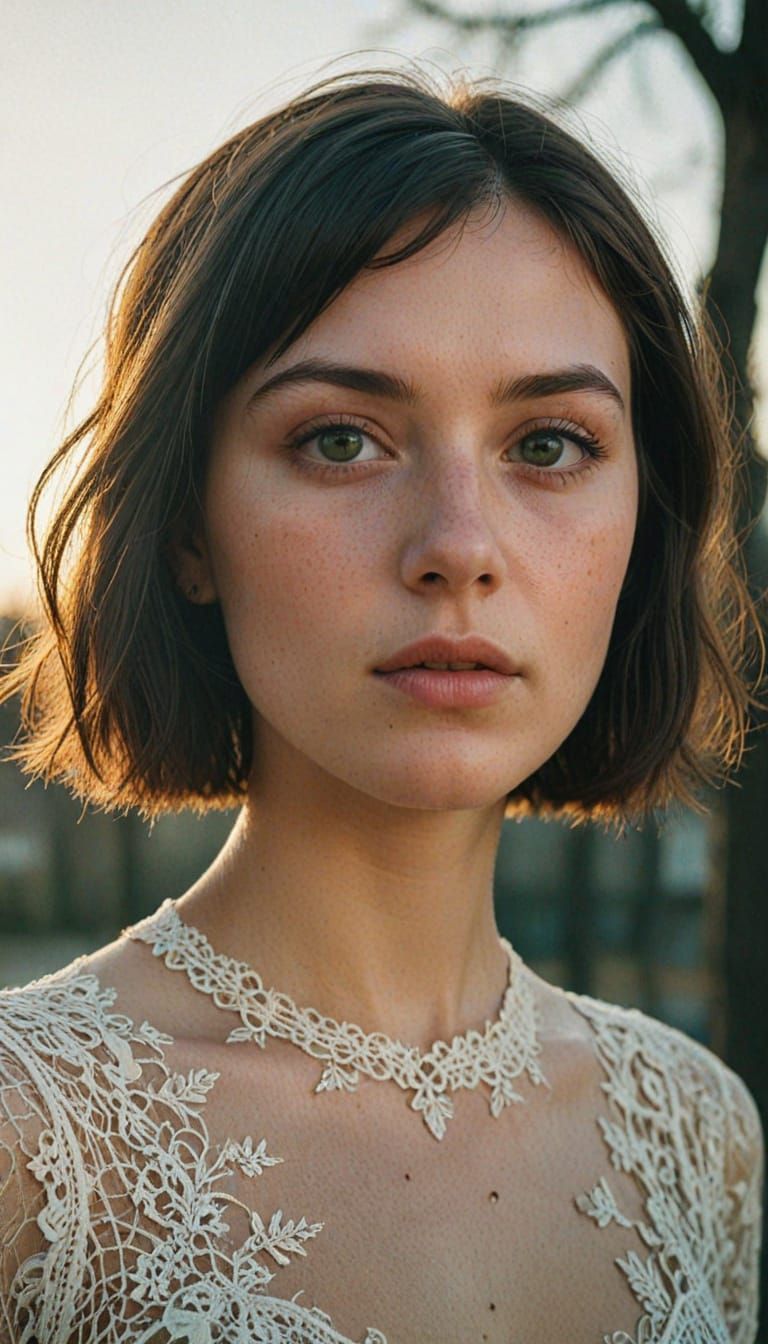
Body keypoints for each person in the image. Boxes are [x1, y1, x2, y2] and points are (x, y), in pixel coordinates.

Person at [0, 65, 763, 1344]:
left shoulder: (703, 1140)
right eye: (341, 440)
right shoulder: (27, 1145)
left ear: (646, 517)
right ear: (188, 526)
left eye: (549, 445)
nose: (458, 546)